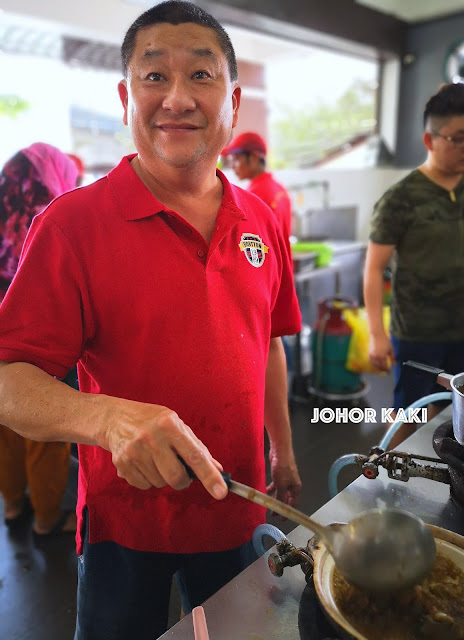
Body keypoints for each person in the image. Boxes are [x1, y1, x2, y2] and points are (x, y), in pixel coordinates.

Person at [0, 3, 302, 639]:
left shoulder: (263, 221)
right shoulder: (70, 226)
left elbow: (266, 343)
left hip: (239, 505)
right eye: (154, 76)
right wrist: (107, 418)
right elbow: (10, 381)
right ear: (125, 95)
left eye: (201, 76)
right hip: (123, 522)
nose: (177, 99)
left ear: (234, 100)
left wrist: (285, 448)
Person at [364, 82, 464, 447]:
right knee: (412, 414)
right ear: (430, 141)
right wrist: (376, 334)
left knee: (460, 413)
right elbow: (373, 268)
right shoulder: (401, 199)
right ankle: (381, 476)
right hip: (417, 332)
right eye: (459, 138)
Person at [0, 143, 79, 536]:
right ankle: (48, 517)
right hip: (37, 334)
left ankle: (14, 505)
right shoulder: (52, 217)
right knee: (47, 426)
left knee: (5, 424)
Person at [221, 131, 293, 247]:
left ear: (254, 157)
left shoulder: (255, 194)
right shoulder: (280, 189)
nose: (233, 166)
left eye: (236, 159)